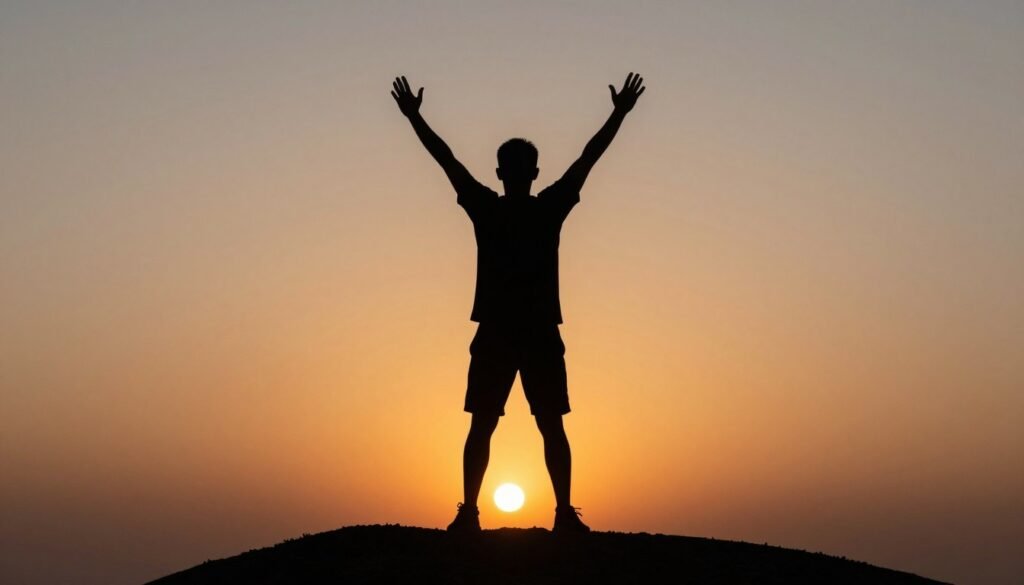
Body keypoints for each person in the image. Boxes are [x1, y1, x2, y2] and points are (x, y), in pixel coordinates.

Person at [391, 73, 645, 534]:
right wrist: (618, 114)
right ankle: (496, 512)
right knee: (510, 424)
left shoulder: (505, 208)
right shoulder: (532, 208)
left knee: (522, 424)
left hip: (523, 332)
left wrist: (415, 118)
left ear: (510, 173)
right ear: (528, 173)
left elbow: (448, 160)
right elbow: (585, 160)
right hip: (515, 332)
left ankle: (536, 513)